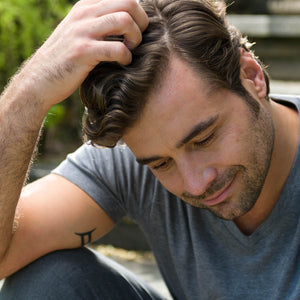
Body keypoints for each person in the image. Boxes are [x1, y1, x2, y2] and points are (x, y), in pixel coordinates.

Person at [0, 0, 299, 299]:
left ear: (251, 74)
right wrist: (26, 98)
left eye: (204, 139)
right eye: (162, 164)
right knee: (47, 282)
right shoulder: (137, 154)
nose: (196, 184)